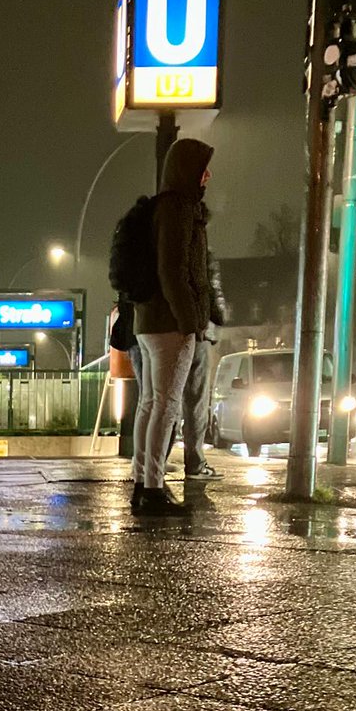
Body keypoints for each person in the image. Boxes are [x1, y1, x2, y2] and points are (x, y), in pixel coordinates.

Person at [131, 138, 214, 515]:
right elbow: (175, 270)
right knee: (166, 405)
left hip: (149, 321)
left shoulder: (160, 208)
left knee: (150, 404)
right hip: (169, 324)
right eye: (202, 168)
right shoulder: (179, 209)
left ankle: (143, 482)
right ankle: (153, 489)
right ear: (187, 171)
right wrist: (189, 321)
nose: (208, 176)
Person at [174, 249, 228, 480]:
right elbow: (213, 292)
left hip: (168, 329)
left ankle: (156, 461)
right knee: (196, 401)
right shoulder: (201, 253)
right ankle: (195, 463)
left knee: (166, 400)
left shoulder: (162, 246)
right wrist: (219, 316)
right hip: (200, 332)